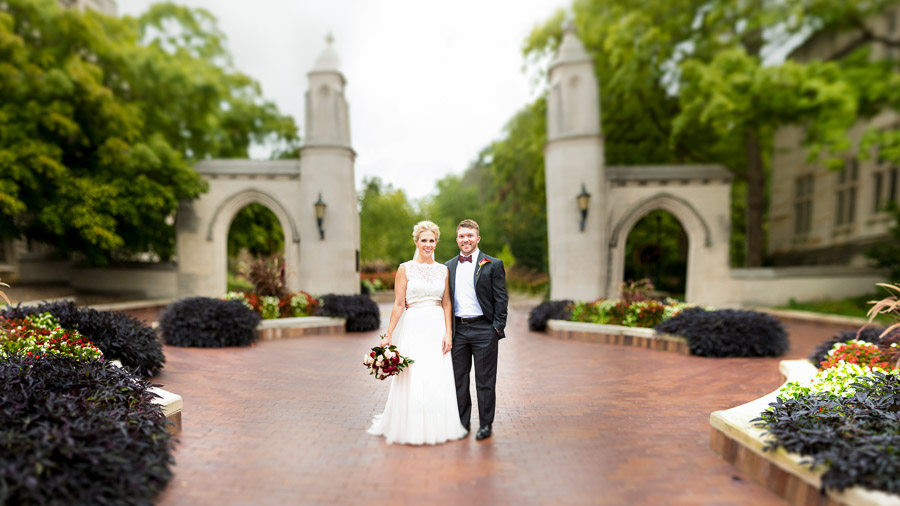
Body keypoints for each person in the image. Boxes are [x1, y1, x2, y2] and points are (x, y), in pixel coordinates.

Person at [367, 221, 468, 445]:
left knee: (435, 374)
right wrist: (388, 334)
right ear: (416, 241)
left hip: (436, 327)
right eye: (424, 240)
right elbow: (398, 304)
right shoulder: (405, 269)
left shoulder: (444, 270)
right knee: (413, 373)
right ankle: (411, 425)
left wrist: (449, 333)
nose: (428, 244)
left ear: (437, 242)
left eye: (432, 240)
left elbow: (447, 304)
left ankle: (438, 425)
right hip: (414, 326)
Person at [445, 219, 508, 441]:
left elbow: (501, 299)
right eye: (462, 236)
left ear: (477, 238)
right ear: (457, 239)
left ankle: (485, 425)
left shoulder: (492, 264)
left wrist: (497, 329)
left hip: (484, 330)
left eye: (470, 236)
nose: (466, 240)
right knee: (459, 380)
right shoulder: (448, 266)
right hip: (458, 332)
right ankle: (462, 424)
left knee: (485, 381)